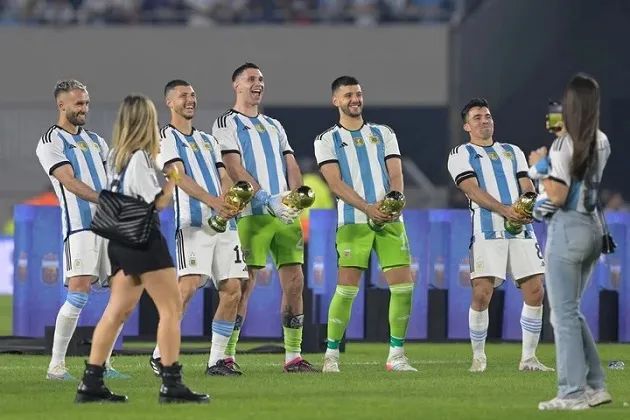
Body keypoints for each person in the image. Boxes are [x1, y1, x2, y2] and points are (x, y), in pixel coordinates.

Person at [74, 94, 209, 404]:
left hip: (118, 241)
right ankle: (171, 382)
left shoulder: (116, 156)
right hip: (143, 240)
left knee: (117, 311)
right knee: (171, 309)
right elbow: (156, 203)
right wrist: (172, 181)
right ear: (146, 122)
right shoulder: (139, 159)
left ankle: (91, 382)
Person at [212, 62, 318, 372]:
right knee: (244, 286)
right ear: (237, 85)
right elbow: (233, 167)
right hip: (251, 214)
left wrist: (295, 198)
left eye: (260, 79)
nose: (258, 83)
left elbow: (291, 163)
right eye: (251, 79)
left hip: (284, 215)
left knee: (295, 282)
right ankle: (227, 355)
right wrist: (264, 198)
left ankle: (293, 357)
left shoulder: (274, 125)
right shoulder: (226, 123)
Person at [314, 75, 416, 373]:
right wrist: (369, 208)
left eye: (358, 94)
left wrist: (394, 200)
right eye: (348, 95)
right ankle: (331, 355)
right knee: (347, 290)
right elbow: (334, 183)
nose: (355, 99)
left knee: (404, 288)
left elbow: (395, 173)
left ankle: (396, 355)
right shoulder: (326, 139)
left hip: (390, 220)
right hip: (354, 222)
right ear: (336, 101)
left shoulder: (383, 133)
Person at [447, 98, 553, 373]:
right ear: (467, 126)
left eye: (487, 116)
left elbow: (526, 185)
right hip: (487, 229)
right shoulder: (461, 153)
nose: (484, 121)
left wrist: (528, 206)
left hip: (521, 229)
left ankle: (529, 359)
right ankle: (479, 357)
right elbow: (471, 189)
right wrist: (505, 209)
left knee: (535, 290)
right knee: (482, 293)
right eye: (478, 117)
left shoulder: (513, 151)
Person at [149, 79, 245, 377]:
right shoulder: (163, 138)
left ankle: (217, 361)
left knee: (233, 290)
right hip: (193, 224)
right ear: (169, 102)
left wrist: (231, 200)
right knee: (188, 287)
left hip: (224, 224)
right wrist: (213, 202)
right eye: (183, 96)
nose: (190, 100)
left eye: (193, 95)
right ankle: (159, 354)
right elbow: (178, 176)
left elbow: (222, 175)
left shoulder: (208, 140)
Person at [35, 79, 128, 380]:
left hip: (108, 228)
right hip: (80, 227)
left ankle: (103, 363)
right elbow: (69, 180)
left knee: (121, 294)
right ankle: (56, 367)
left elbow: (110, 178)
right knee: (78, 293)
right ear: (61, 105)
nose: (84, 108)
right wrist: (105, 199)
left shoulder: (97, 141)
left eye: (86, 103)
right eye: (78, 103)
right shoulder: (51, 141)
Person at [532, 73, 612, 411]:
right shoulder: (601, 138)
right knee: (572, 312)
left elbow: (559, 194)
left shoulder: (564, 143)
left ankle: (572, 393)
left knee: (562, 316)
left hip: (569, 228)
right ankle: (595, 386)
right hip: (594, 227)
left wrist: (540, 169)